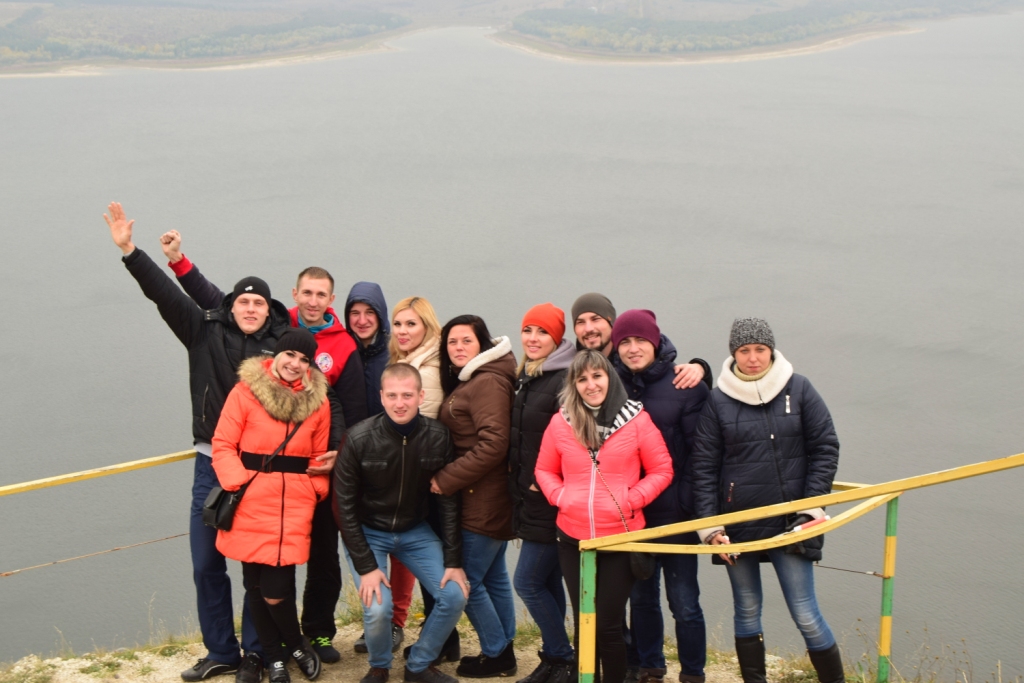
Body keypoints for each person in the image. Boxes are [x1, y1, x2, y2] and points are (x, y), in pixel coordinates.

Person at [157, 232, 368, 664]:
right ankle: (238, 652)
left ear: (331, 299)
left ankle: (287, 644)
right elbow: (218, 298)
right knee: (228, 567)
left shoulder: (321, 343)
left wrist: (328, 464)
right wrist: (174, 261)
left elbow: (336, 404)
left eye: (321, 295)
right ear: (294, 295)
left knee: (288, 564)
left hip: (294, 474)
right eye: (306, 293)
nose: (313, 301)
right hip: (235, 470)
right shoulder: (264, 331)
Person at [103, 202, 290, 683]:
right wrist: (131, 251)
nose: (251, 309)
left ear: (269, 311)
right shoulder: (202, 332)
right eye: (244, 302)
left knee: (254, 567)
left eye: (259, 304)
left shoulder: (282, 349)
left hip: (259, 470)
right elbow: (164, 294)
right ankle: (221, 651)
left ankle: (256, 652)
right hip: (210, 465)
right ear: (232, 305)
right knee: (207, 563)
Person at [690, 318, 844, 683]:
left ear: (771, 350)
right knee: (746, 610)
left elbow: (825, 448)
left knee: (805, 613)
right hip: (737, 525)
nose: (753, 358)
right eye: (744, 350)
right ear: (734, 354)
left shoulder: (799, 388)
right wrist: (711, 529)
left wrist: (810, 509)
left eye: (760, 349)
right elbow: (704, 468)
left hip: (793, 524)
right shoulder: (718, 400)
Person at [535, 350, 673, 683]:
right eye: (582, 379)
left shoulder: (637, 420)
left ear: (609, 378)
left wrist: (632, 499)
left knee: (608, 625)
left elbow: (662, 469)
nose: (591, 385)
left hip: (620, 539)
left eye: (597, 376)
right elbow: (544, 470)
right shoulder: (561, 422)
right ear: (574, 384)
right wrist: (561, 497)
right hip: (573, 539)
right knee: (584, 623)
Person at [334, 364, 470, 683]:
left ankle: (419, 664)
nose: (400, 403)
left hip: (414, 530)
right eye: (392, 396)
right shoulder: (358, 438)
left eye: (407, 395)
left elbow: (448, 502)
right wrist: (367, 566)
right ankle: (379, 666)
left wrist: (453, 561)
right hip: (369, 530)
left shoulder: (438, 436)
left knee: (455, 594)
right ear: (381, 397)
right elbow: (343, 507)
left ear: (421, 396)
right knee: (377, 608)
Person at [211, 329, 331, 683]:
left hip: (293, 503)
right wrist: (240, 483)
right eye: (290, 354)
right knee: (254, 585)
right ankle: (277, 658)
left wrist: (315, 489)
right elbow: (223, 444)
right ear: (276, 353)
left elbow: (318, 456)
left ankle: (294, 645)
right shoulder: (245, 392)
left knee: (276, 590)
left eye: (304, 359)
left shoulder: (318, 402)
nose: (295, 364)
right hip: (250, 500)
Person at [610, 310, 710, 683]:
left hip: (677, 515)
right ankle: (650, 667)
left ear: (655, 342)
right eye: (624, 342)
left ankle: (693, 673)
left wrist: (686, 505)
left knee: (684, 602)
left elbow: (702, 456)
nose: (633, 348)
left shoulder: (686, 385)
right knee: (642, 600)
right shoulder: (611, 385)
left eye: (640, 340)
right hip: (633, 515)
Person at [431, 315, 518, 678]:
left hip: (481, 499)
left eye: (466, 340)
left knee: (465, 581)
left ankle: (497, 653)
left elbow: (494, 443)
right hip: (487, 498)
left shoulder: (487, 382)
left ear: (482, 343)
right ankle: (503, 648)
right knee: (494, 579)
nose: (458, 347)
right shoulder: (478, 377)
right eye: (452, 342)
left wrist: (445, 479)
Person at [508, 304, 576, 683]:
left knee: (527, 582)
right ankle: (554, 661)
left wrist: (546, 480)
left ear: (557, 338)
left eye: (542, 332)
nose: (533, 339)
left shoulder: (562, 379)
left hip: (551, 500)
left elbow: (573, 439)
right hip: (530, 499)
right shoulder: (530, 374)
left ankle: (562, 657)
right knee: (547, 581)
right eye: (528, 330)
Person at [570, 293, 710, 390]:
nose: (588, 328)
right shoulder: (572, 367)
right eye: (580, 322)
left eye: (596, 319)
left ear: (611, 322)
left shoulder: (633, 361)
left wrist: (701, 367)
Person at [390, 297, 444, 419]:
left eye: (411, 324)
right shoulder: (411, 364)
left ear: (427, 328)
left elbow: (423, 426)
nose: (401, 331)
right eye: (397, 324)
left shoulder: (425, 375)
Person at [346, 282, 391, 416]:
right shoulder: (342, 351)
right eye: (355, 313)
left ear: (380, 315)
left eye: (370, 312)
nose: (362, 321)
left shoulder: (396, 352)